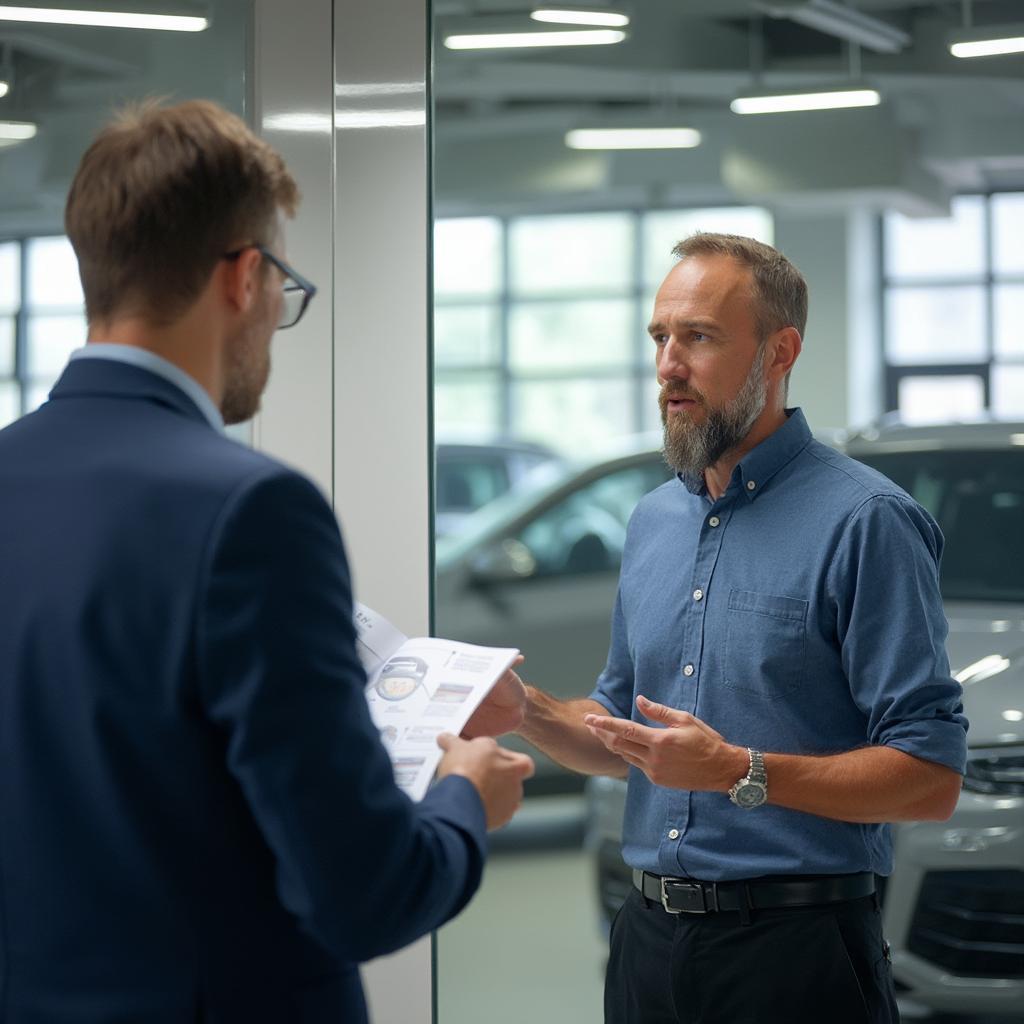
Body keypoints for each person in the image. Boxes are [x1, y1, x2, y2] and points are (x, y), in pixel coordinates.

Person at [0, 99, 532, 1024]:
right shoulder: (250, 511)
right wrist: (461, 800)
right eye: (283, 282)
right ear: (245, 277)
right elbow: (364, 893)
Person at [482, 233, 968, 1024]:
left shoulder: (866, 522)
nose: (669, 365)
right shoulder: (651, 523)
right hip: (645, 946)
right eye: (660, 338)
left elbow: (932, 776)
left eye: (699, 337)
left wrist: (739, 771)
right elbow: (616, 734)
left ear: (780, 352)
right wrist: (527, 708)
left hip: (796, 954)